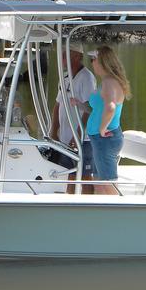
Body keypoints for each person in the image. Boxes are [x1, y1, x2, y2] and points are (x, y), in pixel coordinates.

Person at [48, 47, 97, 191]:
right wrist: (53, 130)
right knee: (68, 176)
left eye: (64, 55)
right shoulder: (65, 78)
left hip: (83, 140)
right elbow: (57, 105)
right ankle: (69, 204)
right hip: (65, 139)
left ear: (76, 56)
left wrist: (78, 135)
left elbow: (90, 108)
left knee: (85, 177)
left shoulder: (87, 78)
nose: (62, 58)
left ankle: (90, 208)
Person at [85, 45, 131, 195]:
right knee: (98, 180)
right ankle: (101, 213)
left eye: (93, 59)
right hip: (99, 139)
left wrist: (102, 129)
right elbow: (99, 109)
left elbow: (110, 107)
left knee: (107, 181)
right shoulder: (107, 81)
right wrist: (78, 103)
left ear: (102, 62)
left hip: (105, 139)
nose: (92, 62)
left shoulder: (109, 82)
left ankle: (121, 213)